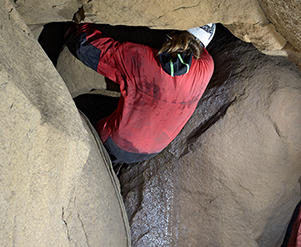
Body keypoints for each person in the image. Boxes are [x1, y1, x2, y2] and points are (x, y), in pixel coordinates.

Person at [67, 23, 215, 164]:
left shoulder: (141, 57)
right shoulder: (208, 66)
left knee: (83, 104)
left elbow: (86, 47)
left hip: (117, 144)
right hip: (154, 150)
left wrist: (82, 24)